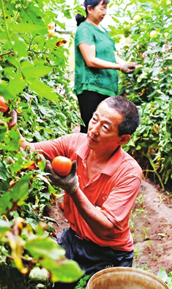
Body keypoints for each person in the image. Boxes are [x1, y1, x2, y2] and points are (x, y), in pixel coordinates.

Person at [18, 96, 142, 288]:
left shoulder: (129, 173)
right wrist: (11, 125)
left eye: (105, 127)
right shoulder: (75, 143)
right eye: (94, 119)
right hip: (74, 239)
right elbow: (27, 150)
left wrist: (73, 189)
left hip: (108, 252)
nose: (93, 130)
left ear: (123, 139)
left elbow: (105, 227)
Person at [74, 0, 138, 133]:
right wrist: (119, 67)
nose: (105, 12)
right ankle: (81, 155)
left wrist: (126, 64)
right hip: (91, 88)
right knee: (90, 130)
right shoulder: (84, 29)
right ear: (89, 9)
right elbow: (90, 60)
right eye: (102, 7)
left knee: (103, 131)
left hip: (106, 88)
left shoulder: (102, 31)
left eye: (106, 7)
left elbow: (112, 55)